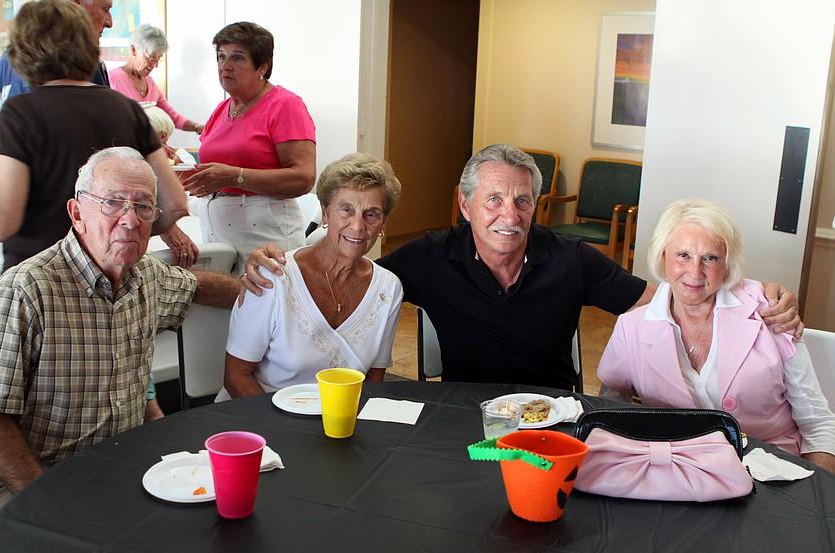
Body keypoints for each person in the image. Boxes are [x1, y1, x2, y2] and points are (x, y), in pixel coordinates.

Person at [243, 144, 802, 391]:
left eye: (521, 201)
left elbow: (664, 298)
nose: (508, 216)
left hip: (553, 416)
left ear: (536, 205)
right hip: (463, 421)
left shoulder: (573, 258)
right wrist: (278, 265)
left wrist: (754, 295)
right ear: (465, 205)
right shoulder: (431, 257)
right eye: (492, 200)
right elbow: (351, 270)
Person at [0, 147, 240, 523]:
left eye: (143, 207)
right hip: (31, 478)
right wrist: (45, 501)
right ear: (76, 214)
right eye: (112, 203)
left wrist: (269, 289)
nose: (129, 219)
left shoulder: (147, 278)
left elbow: (199, 286)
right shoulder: (27, 290)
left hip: (120, 465)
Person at [597, 199, 835, 472]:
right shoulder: (632, 328)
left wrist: (820, 496)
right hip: (680, 472)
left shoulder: (769, 311)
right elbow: (610, 412)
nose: (695, 272)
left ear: (727, 265)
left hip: (774, 472)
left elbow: (817, 422)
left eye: (710, 258)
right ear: (663, 256)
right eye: (683, 255)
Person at [0, 0, 196, 272]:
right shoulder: (127, 110)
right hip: (108, 277)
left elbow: (1, 223)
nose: (107, 23)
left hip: (38, 281)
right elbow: (175, 204)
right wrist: (116, 233)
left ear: (26, 51)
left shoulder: (21, 113)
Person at [221, 153, 403, 399]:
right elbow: (236, 377)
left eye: (371, 214)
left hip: (339, 421)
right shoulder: (273, 276)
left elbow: (372, 380)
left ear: (382, 223)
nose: (358, 226)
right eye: (346, 210)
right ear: (325, 213)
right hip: (261, 416)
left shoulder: (388, 288)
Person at [181, 21, 316, 274]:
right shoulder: (222, 109)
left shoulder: (285, 105)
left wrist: (235, 175)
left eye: (238, 58)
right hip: (219, 233)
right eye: (221, 56)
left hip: (266, 236)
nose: (225, 65)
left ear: (262, 67)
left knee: (268, 309)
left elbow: (303, 179)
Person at [0, 0, 113, 139]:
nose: (109, 22)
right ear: (75, 3)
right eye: (105, 9)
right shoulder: (82, 62)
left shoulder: (8, 60)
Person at [109, 24, 204, 135]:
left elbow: (174, 118)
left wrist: (198, 127)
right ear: (134, 49)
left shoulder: (150, 83)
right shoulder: (113, 79)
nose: (155, 65)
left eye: (159, 59)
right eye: (152, 58)